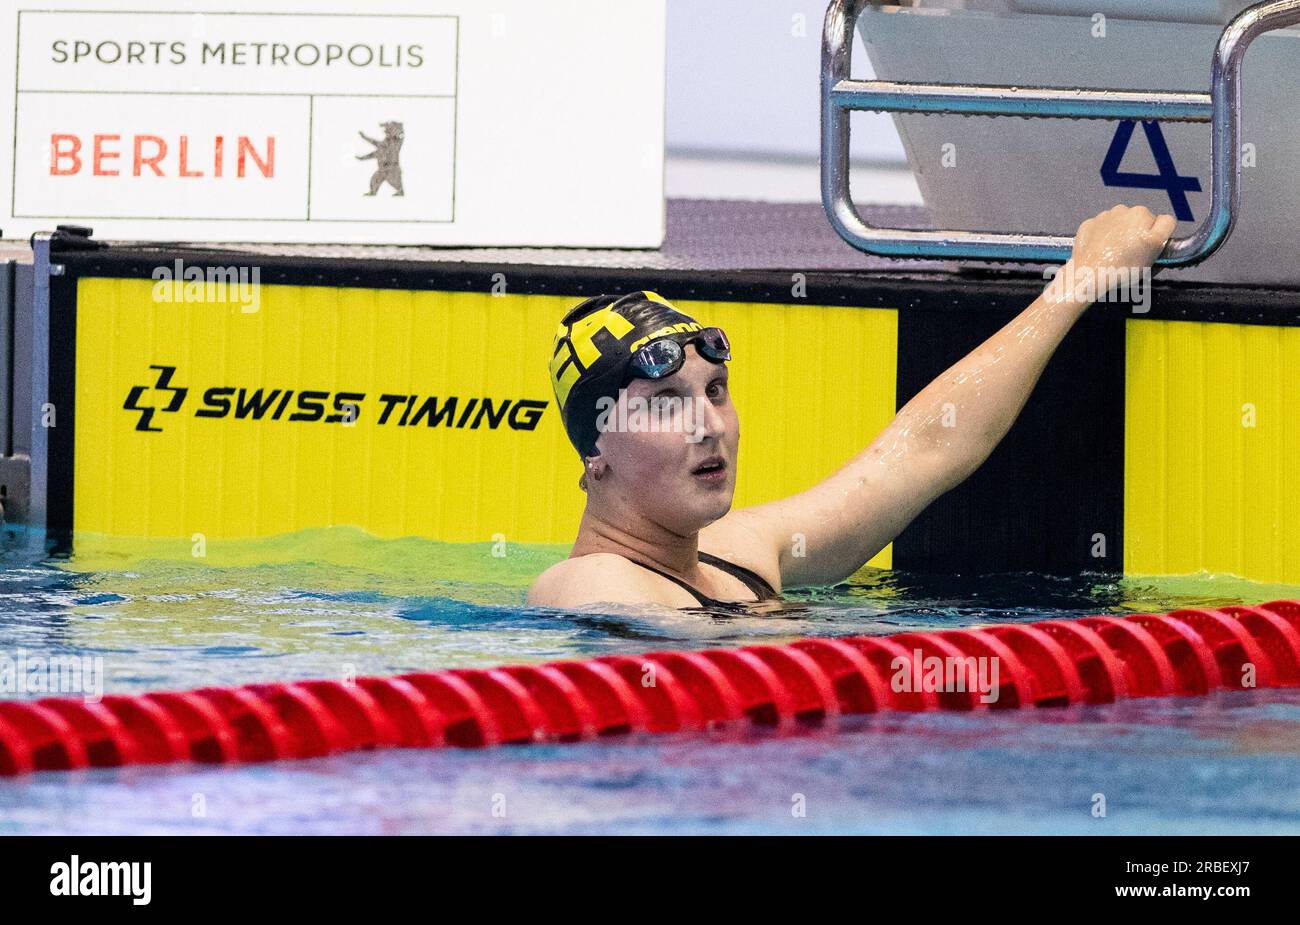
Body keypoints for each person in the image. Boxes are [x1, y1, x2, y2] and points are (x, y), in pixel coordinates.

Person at [527, 205, 1176, 611]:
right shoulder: (587, 586)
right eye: (667, 404)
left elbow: (921, 452)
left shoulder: (743, 553)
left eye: (715, 390)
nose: (708, 424)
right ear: (596, 452)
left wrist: (1079, 279)